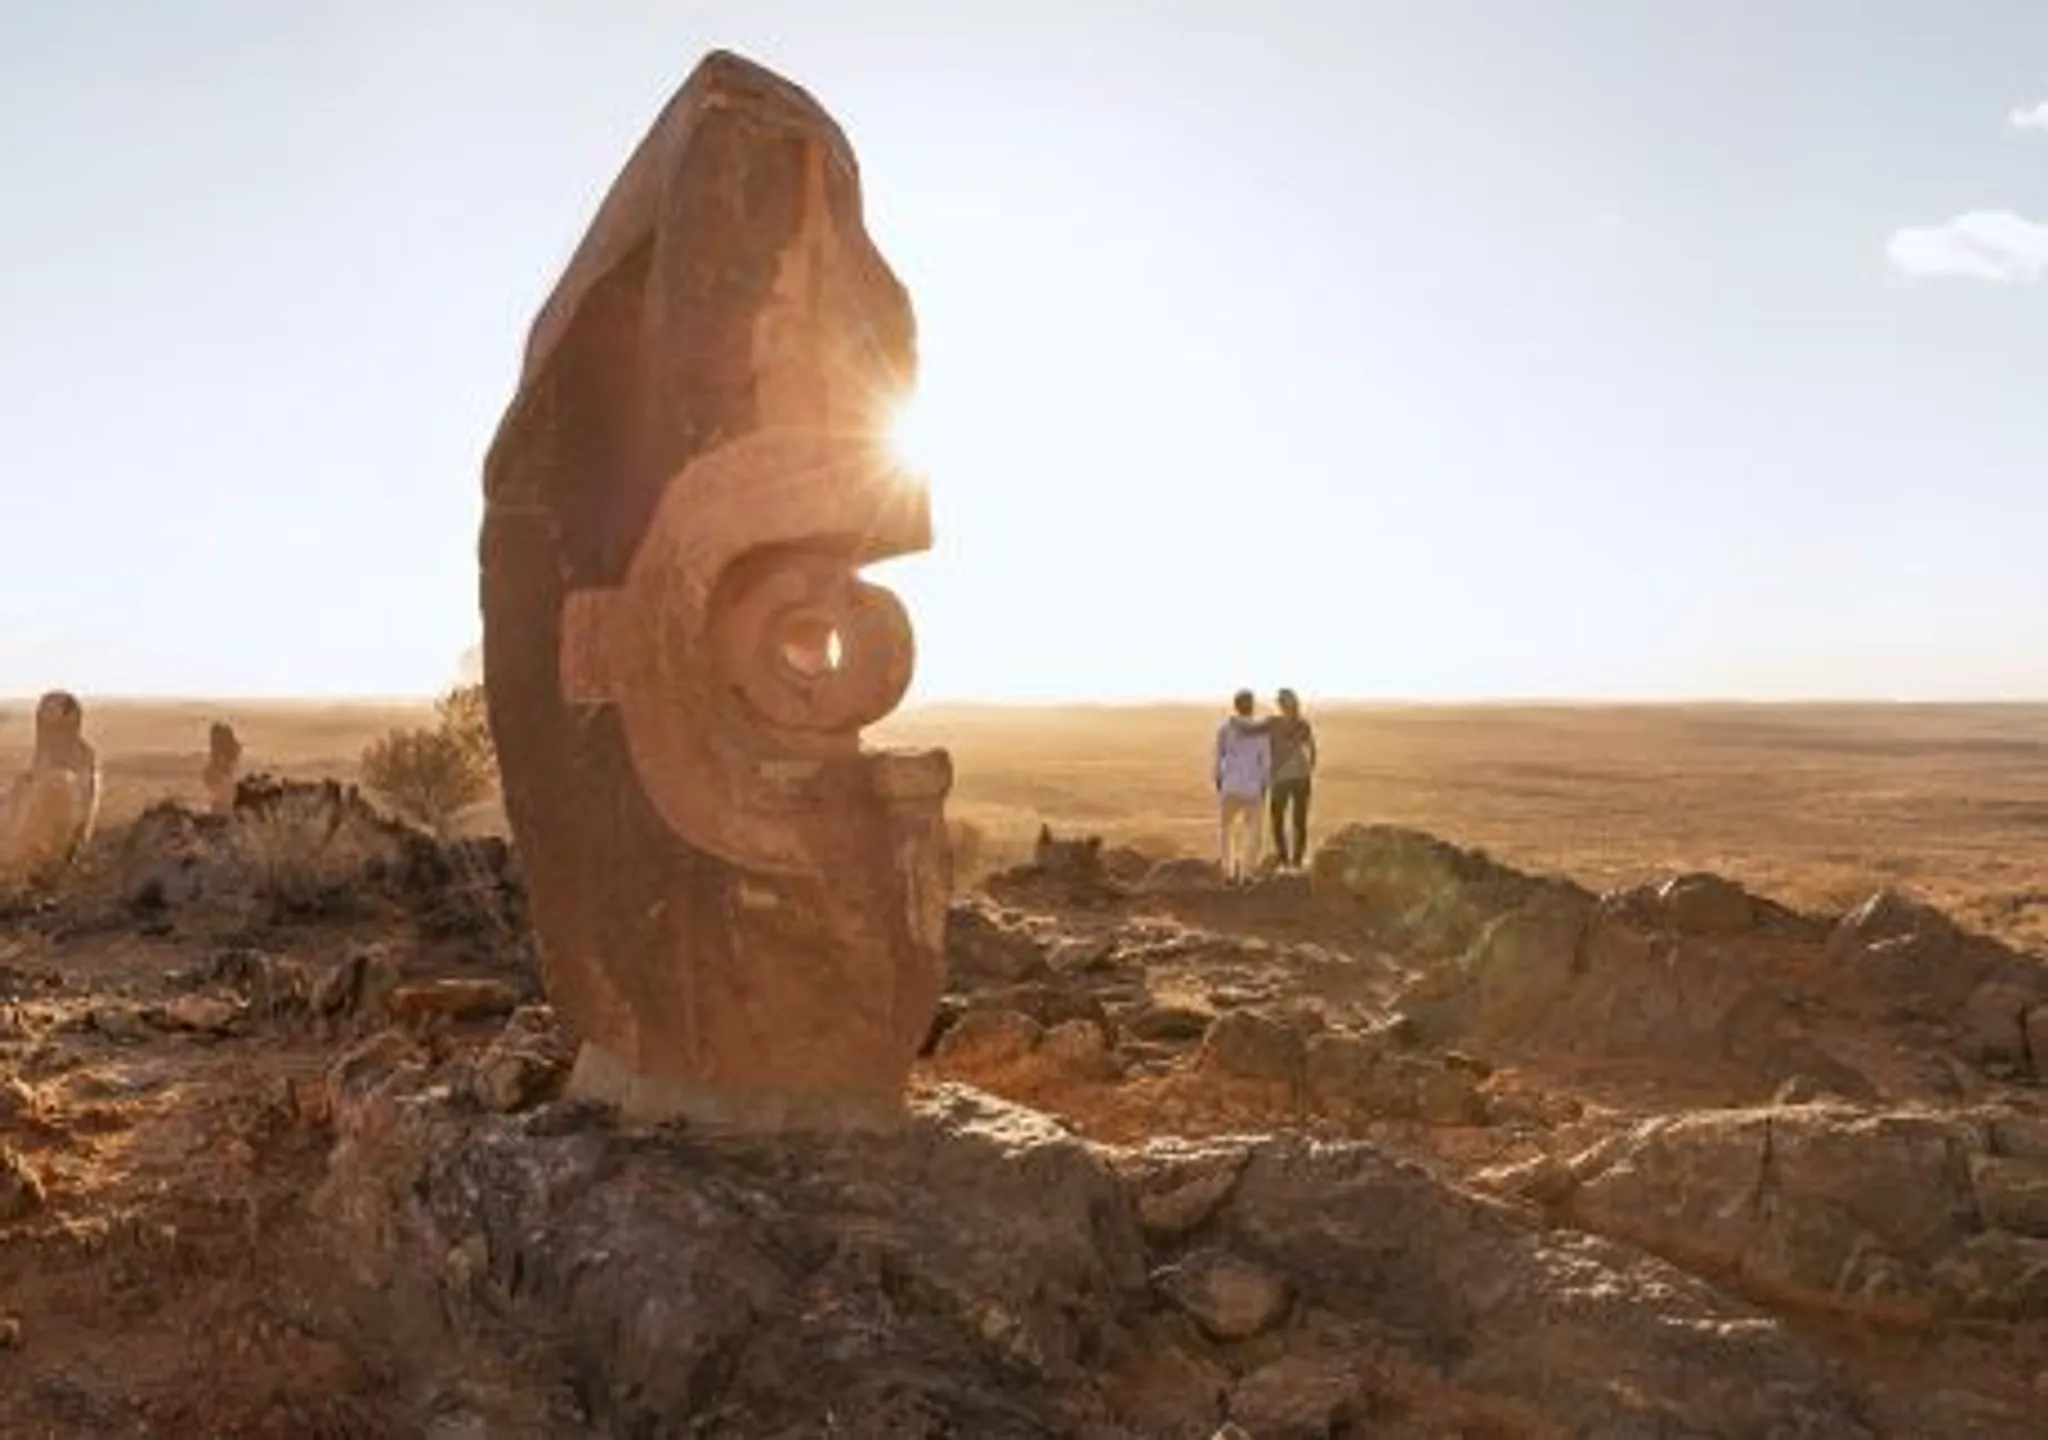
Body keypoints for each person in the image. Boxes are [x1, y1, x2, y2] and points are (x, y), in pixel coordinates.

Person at [1213, 688, 1271, 882]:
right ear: (1252, 706)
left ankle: (1227, 871)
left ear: (1235, 706)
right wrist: (1264, 785)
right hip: (1252, 787)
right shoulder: (1261, 732)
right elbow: (1266, 762)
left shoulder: (1225, 728)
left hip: (1230, 785)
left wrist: (1219, 781)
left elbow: (1218, 758)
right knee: (1253, 832)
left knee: (1225, 830)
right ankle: (1246, 872)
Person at [1266, 687, 1317, 870]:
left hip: (1281, 778)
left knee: (1278, 820)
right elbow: (1312, 750)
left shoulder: (1273, 724)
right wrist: (1309, 769)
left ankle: (1284, 859)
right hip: (1301, 777)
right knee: (1299, 821)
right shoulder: (1302, 724)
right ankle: (1296, 861)